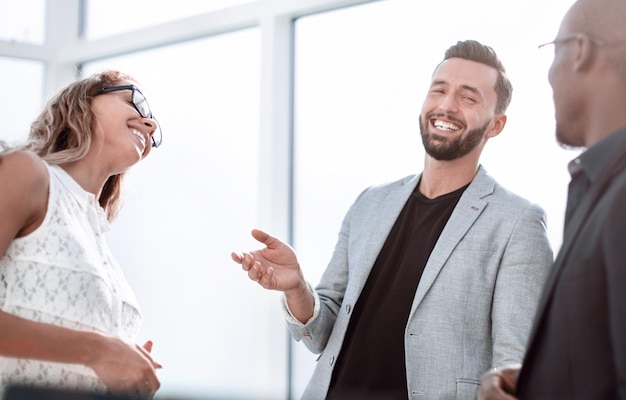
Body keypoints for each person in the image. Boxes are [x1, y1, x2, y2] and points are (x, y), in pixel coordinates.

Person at [232, 40, 553, 399]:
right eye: (439, 90)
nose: (446, 105)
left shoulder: (518, 223)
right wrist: (296, 287)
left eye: (468, 97)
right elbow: (320, 333)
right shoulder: (371, 202)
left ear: (496, 125)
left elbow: (517, 372)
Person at [479, 0, 626, 399]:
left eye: (552, 51)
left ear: (580, 51)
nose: (548, 76)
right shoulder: (597, 186)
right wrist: (542, 379)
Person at [0, 70, 163, 398]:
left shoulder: (97, 240)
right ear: (79, 102)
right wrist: (100, 350)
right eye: (136, 102)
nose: (151, 124)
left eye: (154, 120)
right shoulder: (28, 173)